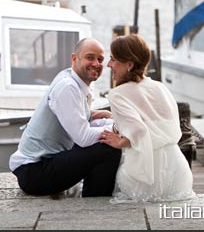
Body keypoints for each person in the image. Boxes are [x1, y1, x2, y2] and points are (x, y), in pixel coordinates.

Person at [9, 37, 122, 197]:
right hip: (35, 171)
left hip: (44, 163)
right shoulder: (68, 87)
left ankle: (95, 194)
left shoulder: (73, 80)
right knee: (108, 148)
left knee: (105, 141)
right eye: (90, 57)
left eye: (100, 59)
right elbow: (83, 138)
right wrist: (118, 128)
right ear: (74, 59)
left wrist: (113, 121)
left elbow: (82, 123)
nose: (96, 64)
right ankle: (96, 201)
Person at [100, 34, 195, 203]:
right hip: (178, 174)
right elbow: (157, 124)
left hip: (146, 179)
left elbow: (139, 130)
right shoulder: (160, 87)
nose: (109, 65)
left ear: (129, 64)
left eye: (113, 60)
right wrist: (114, 117)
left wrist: (121, 142)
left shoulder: (117, 95)